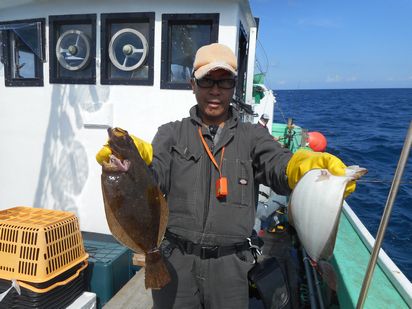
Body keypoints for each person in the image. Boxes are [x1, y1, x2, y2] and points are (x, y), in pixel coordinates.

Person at [96, 43, 355, 308]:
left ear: (234, 86)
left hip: (232, 270)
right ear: (193, 84)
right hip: (176, 261)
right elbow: (155, 178)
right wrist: (135, 164)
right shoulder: (171, 133)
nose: (215, 90)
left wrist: (303, 169)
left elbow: (278, 165)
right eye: (207, 80)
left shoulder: (253, 136)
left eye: (225, 81)